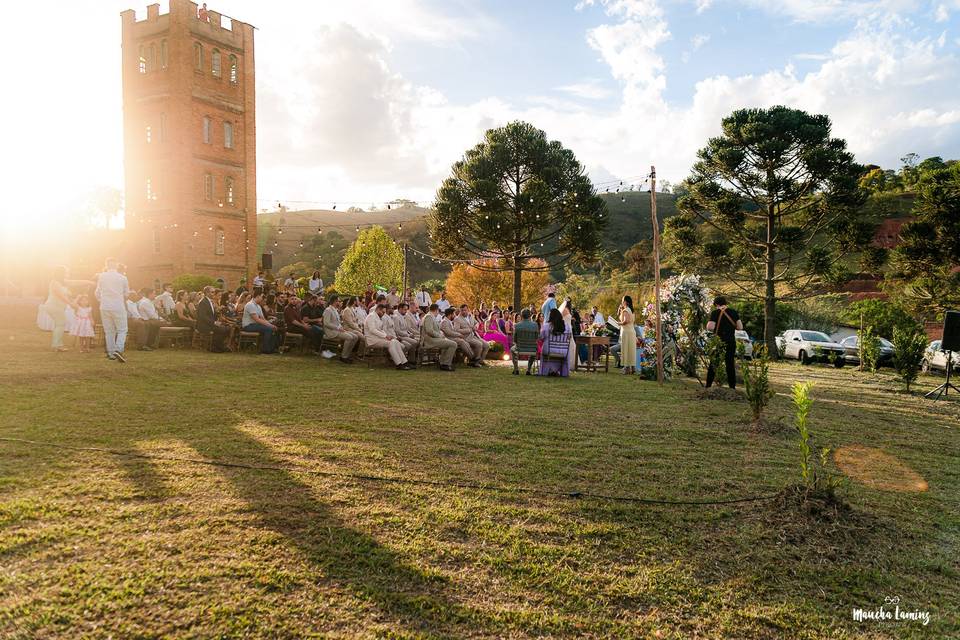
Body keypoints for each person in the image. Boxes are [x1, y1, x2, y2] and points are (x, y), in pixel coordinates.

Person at [95, 257, 130, 362]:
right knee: (122, 329)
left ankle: (111, 353)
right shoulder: (122, 278)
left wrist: (102, 300)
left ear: (106, 265)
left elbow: (97, 292)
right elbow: (127, 294)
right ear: (116, 265)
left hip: (104, 306)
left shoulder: (101, 276)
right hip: (118, 306)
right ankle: (118, 350)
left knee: (109, 331)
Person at [706, 295, 742, 389]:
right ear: (725, 303)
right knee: (730, 364)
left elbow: (710, 327)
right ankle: (732, 387)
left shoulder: (715, 313)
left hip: (719, 341)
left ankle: (708, 385)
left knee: (714, 363)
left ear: (716, 304)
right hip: (731, 341)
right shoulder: (734, 312)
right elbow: (740, 327)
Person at [364, 303, 413, 369]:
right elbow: (372, 330)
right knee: (392, 343)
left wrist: (388, 336)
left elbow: (381, 330)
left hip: (378, 338)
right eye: (383, 312)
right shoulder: (371, 316)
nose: (383, 314)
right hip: (372, 340)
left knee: (395, 341)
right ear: (378, 309)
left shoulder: (378, 317)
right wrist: (385, 336)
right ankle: (398, 364)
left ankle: (404, 362)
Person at [42, 266, 79, 352]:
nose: (67, 274)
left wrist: (88, 282)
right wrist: (71, 304)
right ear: (61, 273)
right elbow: (60, 295)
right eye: (66, 272)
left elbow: (75, 282)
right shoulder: (54, 283)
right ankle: (57, 345)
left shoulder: (62, 282)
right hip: (53, 306)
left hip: (58, 307)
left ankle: (57, 345)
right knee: (61, 324)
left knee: (59, 324)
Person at [323, 295, 359, 363]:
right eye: (339, 301)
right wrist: (338, 328)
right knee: (350, 337)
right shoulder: (328, 310)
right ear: (335, 301)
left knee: (355, 337)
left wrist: (341, 327)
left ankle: (347, 355)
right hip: (331, 331)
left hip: (337, 330)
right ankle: (343, 357)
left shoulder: (335, 310)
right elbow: (326, 323)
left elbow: (337, 322)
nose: (340, 302)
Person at [422, 303, 456, 371]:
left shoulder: (431, 317)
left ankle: (443, 363)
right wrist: (440, 336)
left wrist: (441, 333)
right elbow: (429, 331)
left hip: (433, 339)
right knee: (453, 344)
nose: (438, 312)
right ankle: (446, 364)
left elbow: (435, 330)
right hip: (429, 340)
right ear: (436, 310)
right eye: (438, 311)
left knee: (448, 343)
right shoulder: (428, 317)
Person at [539, 308, 572, 377]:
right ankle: (558, 371)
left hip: (549, 350)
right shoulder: (567, 327)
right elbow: (569, 338)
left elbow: (541, 337)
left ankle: (547, 371)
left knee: (543, 350)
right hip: (564, 351)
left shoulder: (546, 326)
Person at [197, 286, 230, 352]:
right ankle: (215, 347)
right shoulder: (203, 302)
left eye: (214, 292)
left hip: (210, 324)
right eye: (212, 292)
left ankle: (218, 346)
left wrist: (218, 318)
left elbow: (212, 314)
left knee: (227, 328)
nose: (214, 293)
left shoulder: (210, 301)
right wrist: (214, 322)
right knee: (223, 329)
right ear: (207, 293)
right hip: (204, 325)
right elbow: (203, 316)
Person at [510, 309, 539, 375]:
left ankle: (516, 369)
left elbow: (515, 340)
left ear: (521, 316)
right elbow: (537, 338)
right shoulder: (535, 325)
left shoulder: (517, 325)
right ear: (530, 315)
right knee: (534, 349)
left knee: (512, 349)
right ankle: (528, 370)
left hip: (520, 348)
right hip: (532, 348)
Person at [619, 295, 637, 375]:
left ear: (626, 302)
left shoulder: (626, 310)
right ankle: (632, 367)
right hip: (632, 331)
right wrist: (620, 311)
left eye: (622, 300)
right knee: (631, 349)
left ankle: (626, 368)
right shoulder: (631, 310)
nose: (622, 302)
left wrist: (618, 323)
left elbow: (626, 321)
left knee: (626, 349)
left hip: (626, 331)